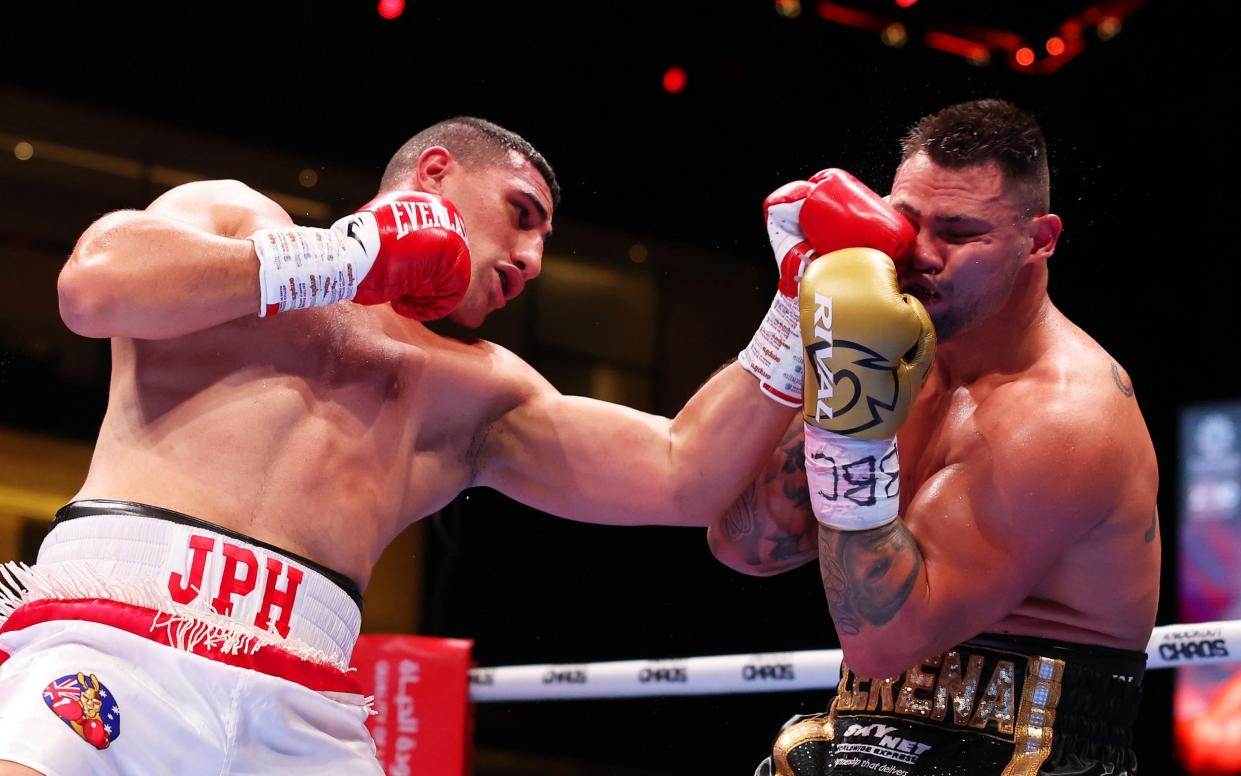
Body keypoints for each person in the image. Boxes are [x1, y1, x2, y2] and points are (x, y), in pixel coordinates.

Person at [0, 116, 913, 774]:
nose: (532, 260)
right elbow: (97, 287)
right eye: (520, 213)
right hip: (118, 641)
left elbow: (685, 475)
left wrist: (793, 305)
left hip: (303, 704)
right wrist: (351, 257)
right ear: (434, 175)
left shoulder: (480, 389)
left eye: (546, 240)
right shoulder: (242, 222)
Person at [708, 100, 1161, 776]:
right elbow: (743, 546)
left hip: (1035, 750)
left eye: (956, 230)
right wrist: (798, 329)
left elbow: (883, 644)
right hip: (872, 727)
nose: (918, 251)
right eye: (905, 220)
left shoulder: (1063, 413)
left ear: (1038, 240)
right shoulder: (892, 354)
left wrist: (847, 430)